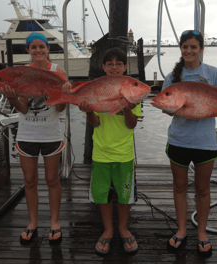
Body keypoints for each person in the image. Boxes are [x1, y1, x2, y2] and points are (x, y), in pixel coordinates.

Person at [162, 30, 217, 257]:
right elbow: (168, 110)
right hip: (179, 140)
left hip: (205, 141)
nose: (189, 51)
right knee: (179, 187)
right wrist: (171, 108)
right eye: (185, 47)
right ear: (181, 49)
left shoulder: (213, 74)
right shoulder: (172, 77)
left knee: (203, 189)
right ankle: (182, 230)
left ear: (202, 49)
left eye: (193, 47)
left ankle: (202, 233)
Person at [0, 32, 72, 244]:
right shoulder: (23, 72)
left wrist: (64, 95)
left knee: (52, 179)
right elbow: (23, 108)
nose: (38, 50)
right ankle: (32, 222)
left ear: (48, 49)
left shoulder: (58, 72)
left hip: (51, 133)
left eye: (42, 46)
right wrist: (12, 98)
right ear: (28, 51)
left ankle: (54, 222)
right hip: (27, 134)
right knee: (30, 180)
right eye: (34, 47)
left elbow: (59, 108)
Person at [71, 47, 141, 254]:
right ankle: (108, 230)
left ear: (125, 67)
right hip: (101, 153)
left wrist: (127, 107)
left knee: (124, 194)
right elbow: (95, 123)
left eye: (118, 64)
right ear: (103, 67)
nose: (114, 67)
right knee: (101, 195)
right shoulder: (97, 88)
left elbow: (132, 125)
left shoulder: (131, 90)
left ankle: (123, 228)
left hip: (125, 154)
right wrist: (89, 110)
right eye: (109, 64)